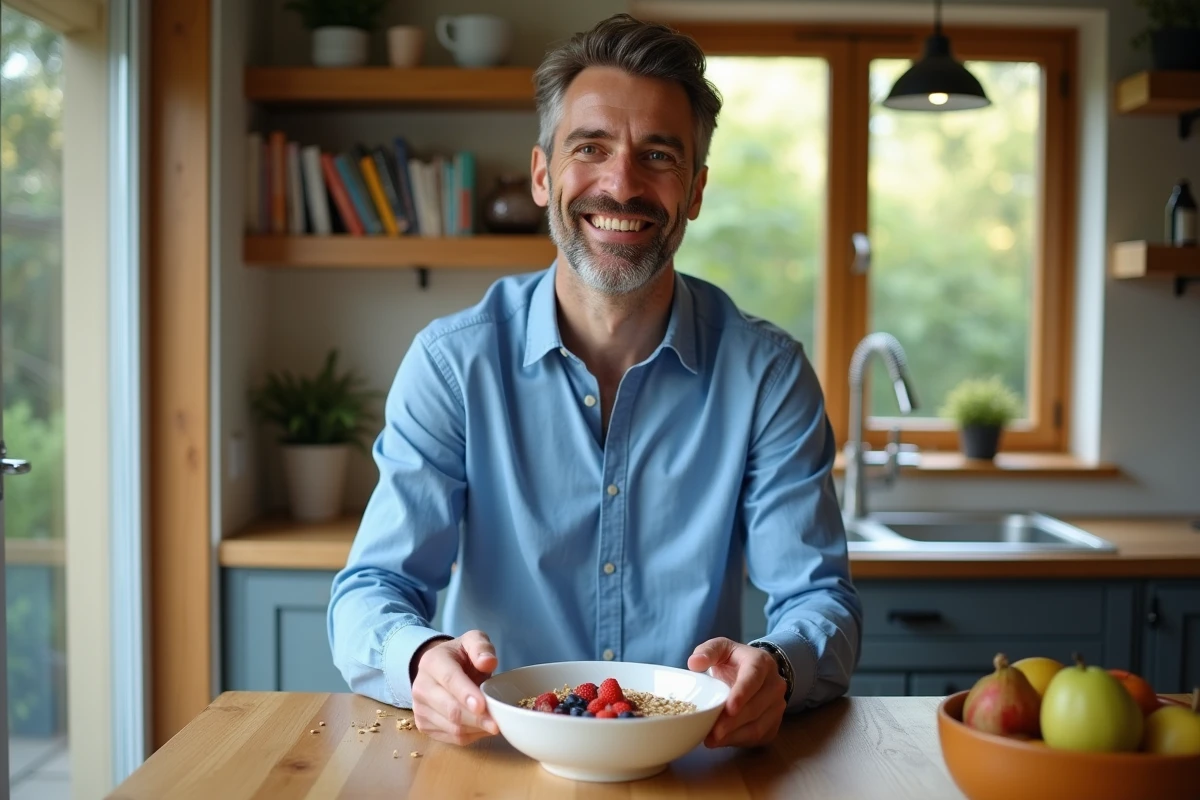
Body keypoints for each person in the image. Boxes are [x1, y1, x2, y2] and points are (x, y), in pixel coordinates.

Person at [328, 13, 861, 750]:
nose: (622, 184)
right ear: (544, 174)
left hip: (695, 768)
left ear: (695, 191)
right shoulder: (452, 364)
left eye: (659, 156)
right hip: (500, 764)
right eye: (591, 148)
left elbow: (819, 600)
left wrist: (776, 666)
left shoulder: (767, 376)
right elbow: (370, 592)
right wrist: (420, 661)